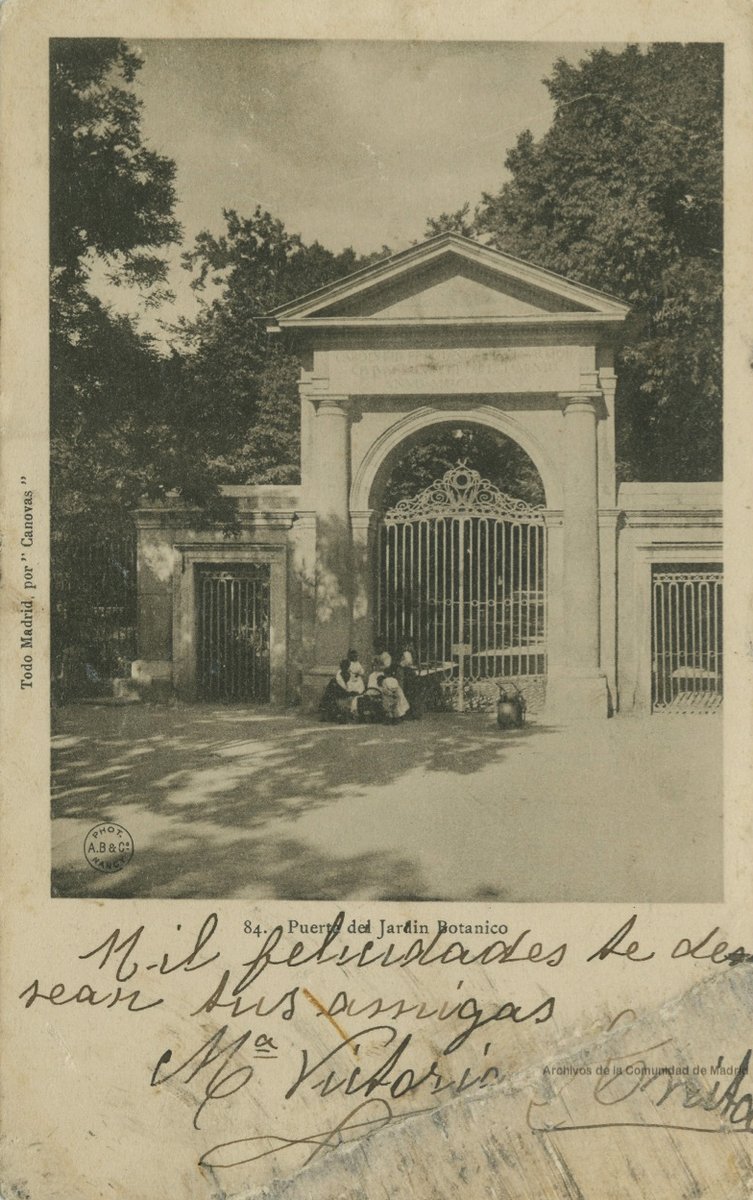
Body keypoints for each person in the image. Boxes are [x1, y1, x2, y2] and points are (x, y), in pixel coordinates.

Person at [319, 659, 356, 723]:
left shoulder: (349, 675)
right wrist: (348, 693)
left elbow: (351, 685)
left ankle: (341, 714)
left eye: (347, 666)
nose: (345, 668)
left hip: (343, 695)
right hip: (336, 697)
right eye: (344, 666)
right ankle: (336, 715)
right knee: (333, 700)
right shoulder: (335, 679)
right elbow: (336, 691)